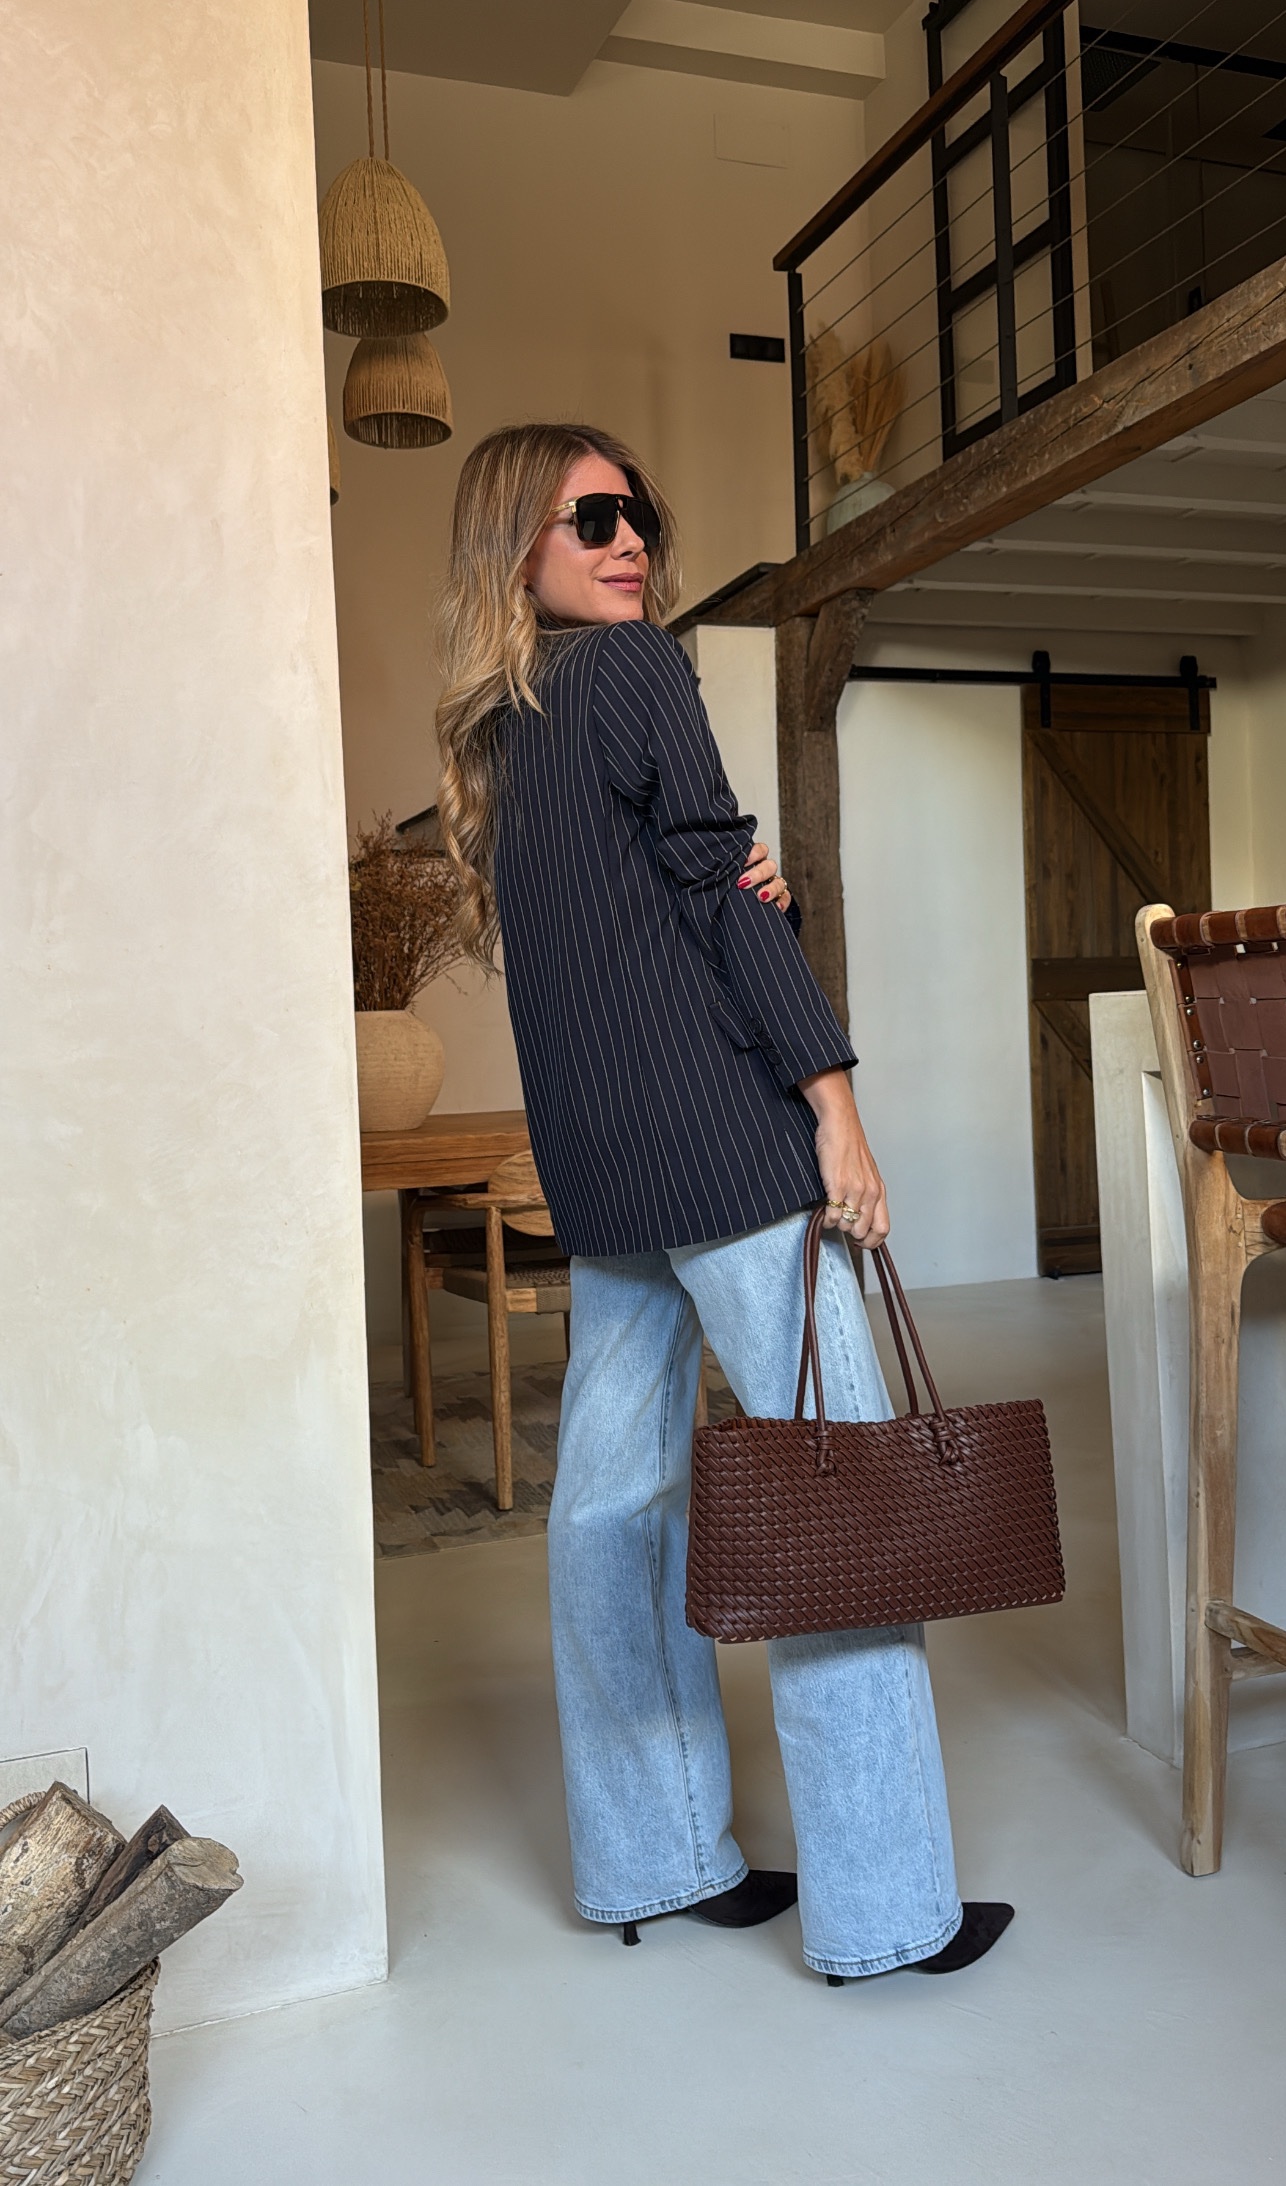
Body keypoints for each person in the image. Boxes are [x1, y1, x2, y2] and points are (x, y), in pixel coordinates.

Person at [433, 421, 1011, 1983]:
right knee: (843, 1497)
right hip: (726, 1151)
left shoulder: (502, 731)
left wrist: (753, 883)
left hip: (606, 1170)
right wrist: (838, 1107)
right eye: (593, 516)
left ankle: (657, 1854)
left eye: (639, 511)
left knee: (607, 1508)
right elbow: (711, 896)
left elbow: (642, 922)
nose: (631, 538)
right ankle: (886, 1908)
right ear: (517, 546)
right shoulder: (634, 670)